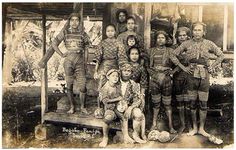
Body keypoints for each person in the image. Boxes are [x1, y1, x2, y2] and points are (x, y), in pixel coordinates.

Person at [174, 22, 224, 137]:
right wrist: (184, 68)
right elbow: (173, 54)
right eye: (195, 30)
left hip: (204, 75)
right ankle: (194, 128)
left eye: (199, 30)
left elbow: (221, 55)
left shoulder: (209, 43)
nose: (197, 32)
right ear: (192, 32)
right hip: (191, 75)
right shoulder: (186, 43)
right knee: (192, 102)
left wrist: (212, 66)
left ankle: (202, 128)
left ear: (204, 32)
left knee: (203, 102)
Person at [147, 31, 190, 134]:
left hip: (166, 79)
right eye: (158, 38)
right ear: (155, 39)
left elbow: (181, 62)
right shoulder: (150, 51)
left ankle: (171, 126)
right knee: (156, 104)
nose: (160, 39)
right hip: (155, 79)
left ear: (166, 40)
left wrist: (172, 72)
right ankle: (154, 125)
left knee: (167, 104)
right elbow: (146, 65)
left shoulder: (171, 51)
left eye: (162, 38)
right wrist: (152, 73)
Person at [51, 13, 91, 114]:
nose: (74, 22)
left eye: (76, 20)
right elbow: (54, 43)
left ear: (79, 22)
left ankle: (83, 107)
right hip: (68, 60)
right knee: (69, 85)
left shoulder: (83, 33)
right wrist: (61, 54)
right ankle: (72, 107)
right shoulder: (65, 32)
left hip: (80, 60)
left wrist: (86, 62)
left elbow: (86, 49)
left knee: (82, 86)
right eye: (72, 20)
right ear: (69, 21)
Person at [93, 24, 127, 93]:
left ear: (115, 32)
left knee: (115, 84)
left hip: (115, 66)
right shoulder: (102, 43)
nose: (110, 32)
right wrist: (95, 71)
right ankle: (101, 102)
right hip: (104, 66)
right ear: (105, 32)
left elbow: (121, 57)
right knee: (102, 84)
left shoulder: (119, 43)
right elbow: (98, 58)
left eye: (112, 31)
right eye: (108, 31)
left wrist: (121, 69)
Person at [120, 62, 147, 144]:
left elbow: (137, 99)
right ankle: (126, 136)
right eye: (124, 70)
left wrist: (130, 107)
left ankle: (136, 135)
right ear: (121, 71)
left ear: (131, 73)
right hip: (116, 108)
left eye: (129, 71)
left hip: (128, 107)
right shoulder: (116, 81)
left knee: (138, 113)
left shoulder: (134, 84)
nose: (126, 72)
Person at [172, 27, 192, 133]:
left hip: (189, 76)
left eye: (184, 35)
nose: (182, 37)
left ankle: (189, 125)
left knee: (188, 101)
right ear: (177, 37)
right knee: (180, 101)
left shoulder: (191, 46)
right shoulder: (174, 48)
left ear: (188, 36)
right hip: (178, 77)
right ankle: (182, 124)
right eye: (180, 35)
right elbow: (172, 62)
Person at [98, 69, 123, 147]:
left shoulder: (118, 86)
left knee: (125, 117)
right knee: (108, 118)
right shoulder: (105, 87)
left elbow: (121, 96)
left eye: (117, 76)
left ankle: (124, 134)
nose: (115, 78)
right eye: (113, 76)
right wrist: (117, 99)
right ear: (108, 77)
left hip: (118, 108)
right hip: (110, 108)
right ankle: (105, 137)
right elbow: (105, 101)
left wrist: (121, 103)